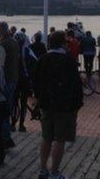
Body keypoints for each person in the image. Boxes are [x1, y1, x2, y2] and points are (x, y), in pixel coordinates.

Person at [34, 31, 83, 179]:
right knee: (59, 139)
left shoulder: (42, 59)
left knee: (46, 137)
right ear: (63, 43)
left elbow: (36, 82)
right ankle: (54, 172)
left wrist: (38, 99)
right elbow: (76, 86)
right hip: (65, 107)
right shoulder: (69, 61)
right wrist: (77, 104)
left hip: (46, 105)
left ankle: (43, 170)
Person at [0, 22, 20, 149]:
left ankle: (5, 137)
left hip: (4, 81)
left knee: (1, 110)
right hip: (14, 78)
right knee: (8, 108)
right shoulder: (14, 42)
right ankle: (7, 136)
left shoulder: (2, 45)